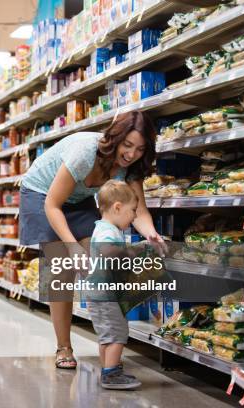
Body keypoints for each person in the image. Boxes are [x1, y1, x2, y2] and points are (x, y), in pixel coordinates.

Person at [18, 111, 166, 369]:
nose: (131, 154)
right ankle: (64, 347)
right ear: (115, 138)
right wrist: (72, 246)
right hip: (42, 195)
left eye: (140, 149)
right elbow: (53, 205)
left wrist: (150, 233)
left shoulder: (131, 166)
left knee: (99, 261)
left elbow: (139, 210)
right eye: (127, 145)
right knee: (61, 268)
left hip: (78, 198)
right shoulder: (85, 152)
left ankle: (108, 340)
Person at [88, 180, 140, 389]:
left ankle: (107, 369)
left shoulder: (104, 227)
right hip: (104, 295)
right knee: (118, 333)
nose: (135, 216)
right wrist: (132, 251)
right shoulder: (108, 231)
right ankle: (111, 374)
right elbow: (107, 251)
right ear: (117, 207)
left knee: (107, 336)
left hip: (98, 294)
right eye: (133, 211)